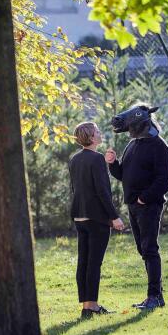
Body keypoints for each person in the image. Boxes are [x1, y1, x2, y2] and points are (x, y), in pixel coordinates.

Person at [105, 104, 168, 310]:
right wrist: (112, 163)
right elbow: (122, 175)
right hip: (134, 206)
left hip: (148, 206)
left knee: (150, 249)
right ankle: (156, 296)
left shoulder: (159, 146)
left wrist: (145, 198)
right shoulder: (132, 145)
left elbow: (165, 180)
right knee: (143, 250)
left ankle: (154, 296)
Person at [69, 122, 124, 319]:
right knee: (94, 263)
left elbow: (75, 189)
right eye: (97, 132)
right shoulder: (97, 159)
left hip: (79, 216)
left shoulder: (74, 159)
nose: (100, 133)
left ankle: (87, 305)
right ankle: (91, 306)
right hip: (96, 218)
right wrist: (114, 217)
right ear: (91, 138)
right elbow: (102, 192)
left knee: (83, 261)